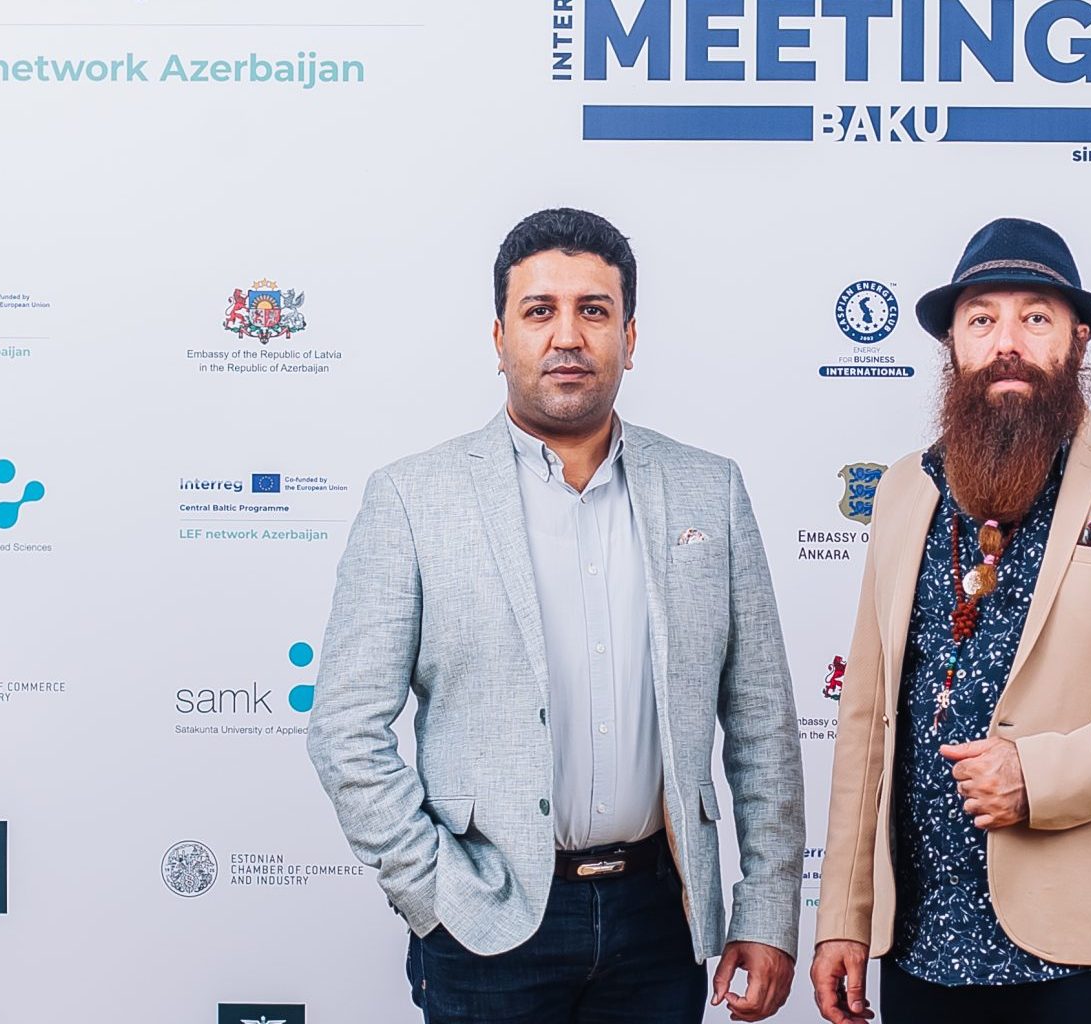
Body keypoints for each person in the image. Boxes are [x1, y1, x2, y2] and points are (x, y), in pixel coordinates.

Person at [308, 208, 804, 1024]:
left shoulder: (708, 490)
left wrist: (767, 908)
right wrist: (431, 889)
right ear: (499, 337)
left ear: (630, 338)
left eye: (593, 310)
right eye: (540, 311)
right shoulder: (411, 499)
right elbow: (345, 728)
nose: (567, 336)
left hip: (660, 918)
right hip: (486, 924)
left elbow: (761, 723)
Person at [809, 217, 1091, 1024]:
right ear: (952, 344)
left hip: (1083, 952)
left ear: (1078, 340)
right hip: (920, 946)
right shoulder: (905, 490)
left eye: (1036, 317)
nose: (1006, 341)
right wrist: (845, 917)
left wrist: (1042, 776)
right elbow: (866, 719)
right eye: (982, 319)